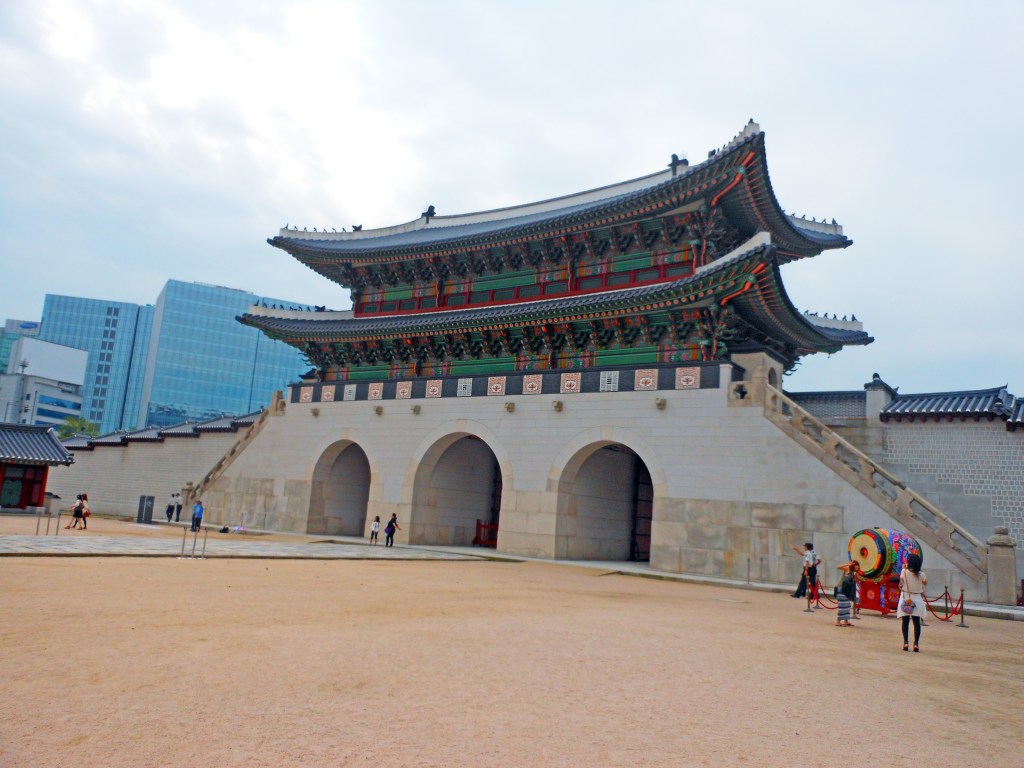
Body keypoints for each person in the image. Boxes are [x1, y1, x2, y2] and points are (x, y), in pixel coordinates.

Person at [897, 553, 928, 652]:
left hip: (906, 597)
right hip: (917, 598)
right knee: (916, 622)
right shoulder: (921, 574)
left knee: (905, 622)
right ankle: (916, 644)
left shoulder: (904, 572)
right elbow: (925, 583)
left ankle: (906, 642)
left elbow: (900, 585)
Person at [834, 562, 857, 627]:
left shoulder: (853, 572)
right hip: (841, 588)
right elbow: (838, 566)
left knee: (847, 605)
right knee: (842, 605)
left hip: (847, 590)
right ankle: (838, 621)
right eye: (856, 566)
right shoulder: (847, 569)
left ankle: (846, 621)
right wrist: (847, 564)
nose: (857, 568)